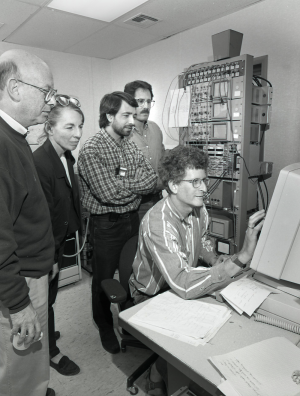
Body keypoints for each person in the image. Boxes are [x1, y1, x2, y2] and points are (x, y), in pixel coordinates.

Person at [129, 145, 265, 395]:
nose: (204, 188)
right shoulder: (158, 223)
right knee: (195, 344)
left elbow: (201, 242)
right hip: (151, 294)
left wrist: (215, 261)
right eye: (196, 182)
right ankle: (159, 372)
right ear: (172, 185)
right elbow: (181, 282)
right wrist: (242, 257)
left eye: (204, 180)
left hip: (181, 279)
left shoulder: (198, 209)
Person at [78, 91, 157, 354]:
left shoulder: (129, 144)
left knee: (130, 272)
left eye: (133, 116)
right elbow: (107, 194)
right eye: (126, 115)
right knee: (103, 278)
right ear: (109, 116)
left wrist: (124, 184)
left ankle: (127, 317)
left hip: (131, 220)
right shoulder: (92, 149)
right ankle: (103, 323)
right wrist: (132, 186)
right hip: (107, 225)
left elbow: (152, 180)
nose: (132, 121)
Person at [0, 49, 57, 396]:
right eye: (46, 91)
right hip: (19, 282)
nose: (51, 100)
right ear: (15, 88)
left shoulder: (15, 137)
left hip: (31, 271)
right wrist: (19, 304)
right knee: (20, 368)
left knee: (29, 362)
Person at [33, 98, 83, 377]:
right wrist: (49, 257)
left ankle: (48, 329)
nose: (77, 133)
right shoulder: (40, 162)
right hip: (46, 245)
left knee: (49, 299)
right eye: (69, 127)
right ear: (50, 128)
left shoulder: (65, 154)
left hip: (61, 237)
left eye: (80, 126)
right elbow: (41, 217)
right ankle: (51, 351)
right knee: (44, 300)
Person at [124, 80, 165, 219]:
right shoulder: (121, 133)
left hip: (159, 199)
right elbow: (117, 170)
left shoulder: (156, 129)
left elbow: (163, 161)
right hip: (135, 205)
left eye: (149, 101)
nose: (145, 106)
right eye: (140, 101)